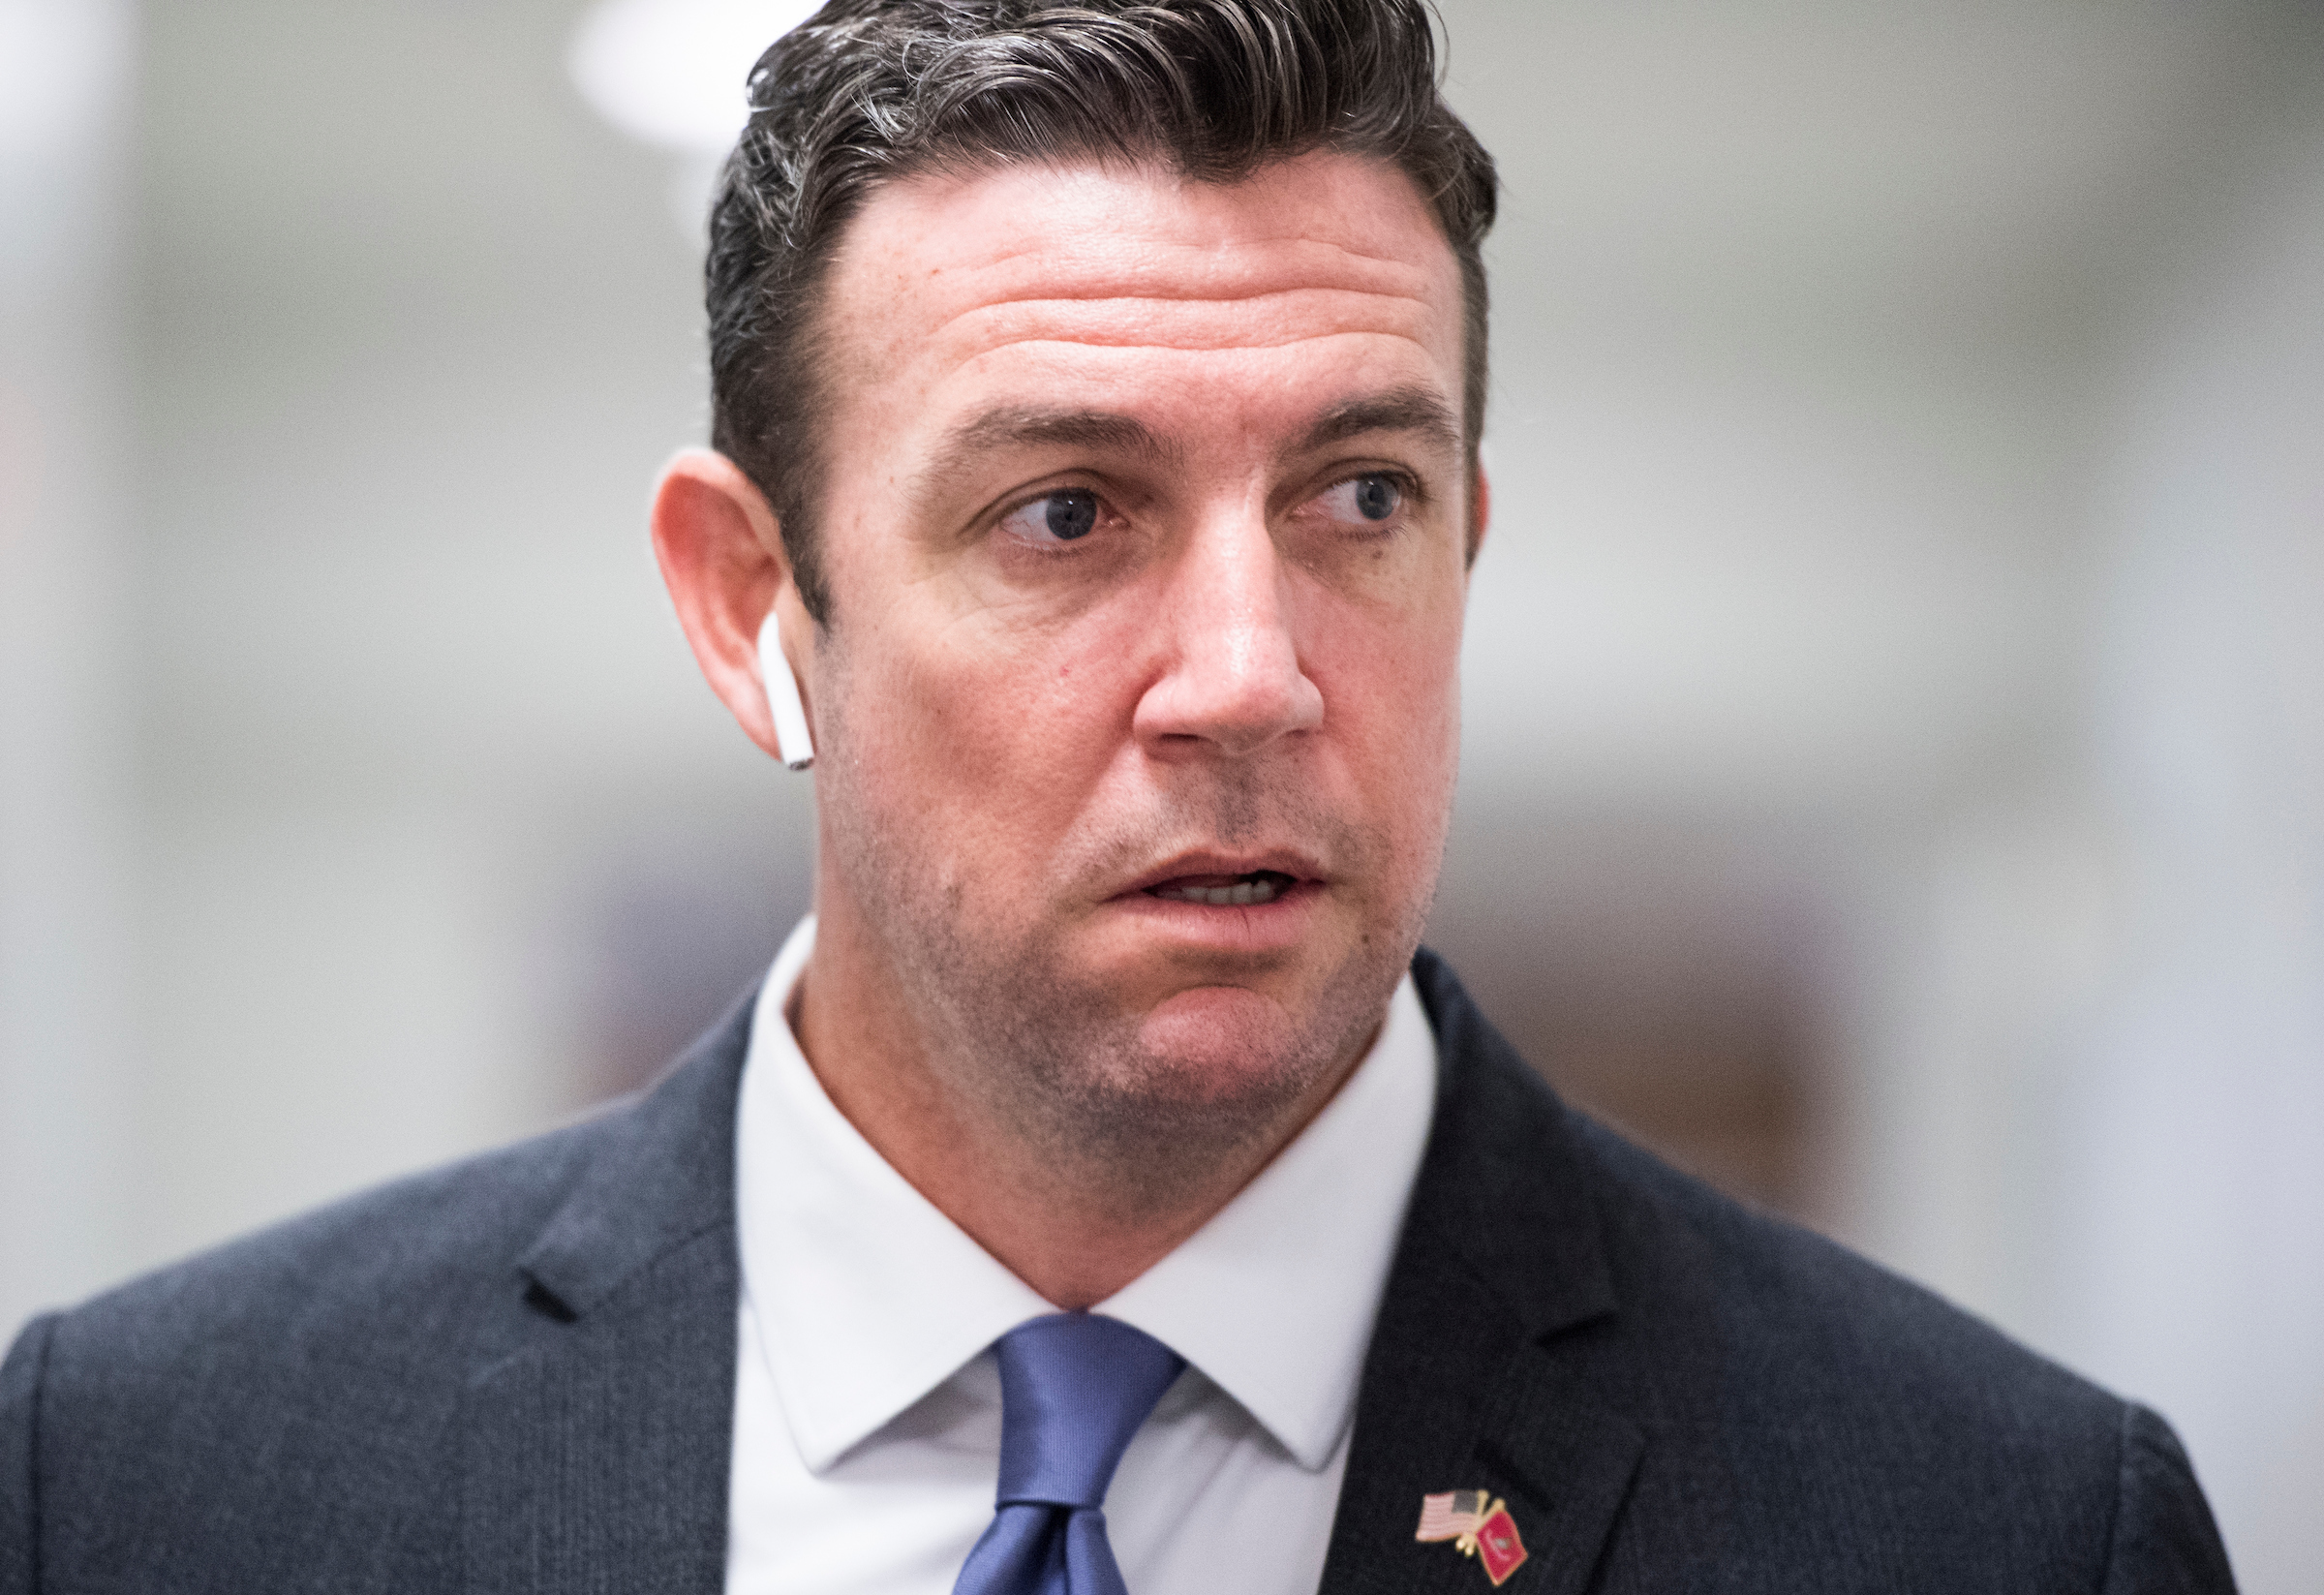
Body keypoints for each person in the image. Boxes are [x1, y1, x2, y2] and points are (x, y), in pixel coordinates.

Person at [0, 2, 2237, 1590]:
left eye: (1362, 492)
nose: (1251, 676)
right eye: (1068, 511)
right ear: (751, 598)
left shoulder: (2004, 1525)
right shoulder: (147, 1482)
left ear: (1465, 541)